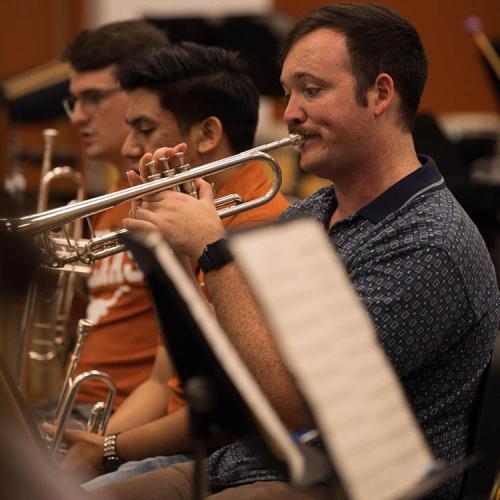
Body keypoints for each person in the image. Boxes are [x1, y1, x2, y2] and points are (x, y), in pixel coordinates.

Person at [93, 4, 500, 500]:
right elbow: (232, 371)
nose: (289, 114)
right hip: (240, 465)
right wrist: (177, 255)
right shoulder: (309, 214)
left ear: (380, 94)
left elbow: (297, 408)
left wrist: (214, 249)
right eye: (288, 93)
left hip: (332, 485)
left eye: (311, 90)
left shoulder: (430, 244)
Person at [43, 42, 289, 485]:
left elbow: (224, 411)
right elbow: (163, 381)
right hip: (163, 439)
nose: (130, 149)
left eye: (144, 128)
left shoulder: (260, 227)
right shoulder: (187, 221)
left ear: (207, 135)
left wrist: (111, 450)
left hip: (220, 455)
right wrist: (92, 447)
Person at [35, 20, 169, 425]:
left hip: (123, 414)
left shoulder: (170, 199)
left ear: (140, 92)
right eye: (72, 101)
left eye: (92, 97)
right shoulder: (104, 206)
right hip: (71, 404)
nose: (77, 117)